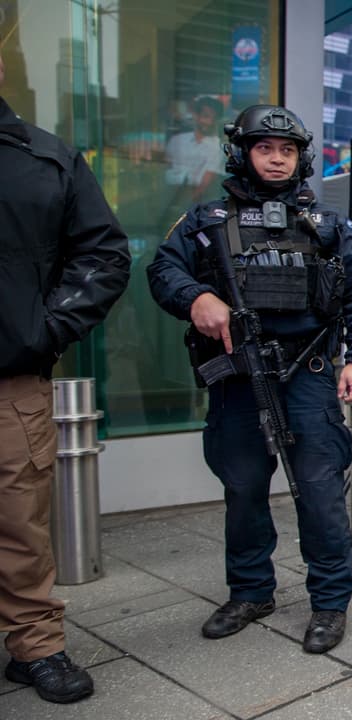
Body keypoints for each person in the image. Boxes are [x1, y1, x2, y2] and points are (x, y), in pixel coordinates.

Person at [147, 104, 352, 654]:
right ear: (242, 153)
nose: (276, 159)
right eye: (264, 149)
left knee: (320, 491)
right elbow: (163, 270)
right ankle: (251, 591)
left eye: (287, 151)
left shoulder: (326, 224)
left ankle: (329, 602)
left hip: (310, 372)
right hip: (239, 374)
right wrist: (197, 297)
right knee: (244, 488)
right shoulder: (206, 220)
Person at [1, 53, 131, 704]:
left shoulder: (45, 160)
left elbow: (104, 253)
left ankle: (34, 646)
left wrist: (44, 330)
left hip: (10, 380)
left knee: (20, 521)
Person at [164, 96, 226, 214]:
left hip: (198, 205)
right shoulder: (177, 141)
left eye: (214, 118)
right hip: (169, 198)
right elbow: (165, 168)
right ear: (196, 116)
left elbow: (205, 183)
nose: (210, 122)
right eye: (206, 116)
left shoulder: (217, 147)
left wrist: (184, 208)